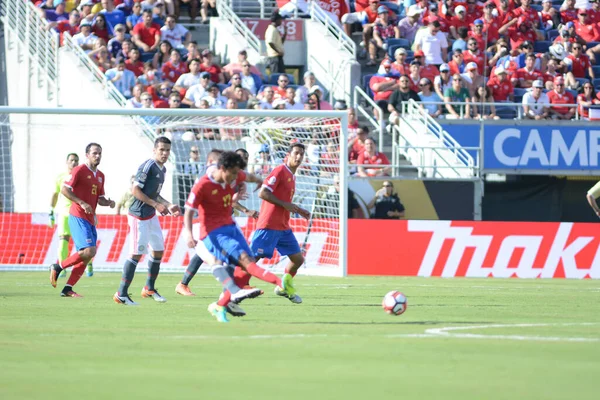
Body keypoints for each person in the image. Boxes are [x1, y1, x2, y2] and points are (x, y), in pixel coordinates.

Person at [184, 151, 295, 322]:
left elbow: (247, 176)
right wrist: (189, 234)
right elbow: (189, 211)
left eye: (237, 173)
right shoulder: (203, 185)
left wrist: (258, 180)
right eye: (233, 173)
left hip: (231, 227)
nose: (236, 177)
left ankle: (222, 303)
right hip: (214, 232)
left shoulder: (235, 175)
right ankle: (270, 285)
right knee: (244, 260)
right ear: (222, 168)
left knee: (247, 262)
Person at [113, 136, 181, 306]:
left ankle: (149, 288)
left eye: (167, 150)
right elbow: (135, 190)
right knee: (136, 254)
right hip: (138, 215)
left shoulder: (162, 169)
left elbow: (154, 194)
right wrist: (156, 205)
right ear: (154, 150)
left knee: (158, 250)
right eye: (161, 150)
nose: (165, 153)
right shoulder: (148, 166)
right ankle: (121, 294)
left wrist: (168, 204)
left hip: (150, 214)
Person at [49, 143, 116, 297]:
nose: (97, 156)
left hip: (90, 219)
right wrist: (81, 202)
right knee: (89, 250)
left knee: (87, 255)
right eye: (94, 153)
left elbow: (99, 199)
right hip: (78, 215)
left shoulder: (101, 176)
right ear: (87, 155)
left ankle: (67, 289)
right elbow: (65, 190)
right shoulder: (79, 170)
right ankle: (58, 266)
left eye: (99, 153)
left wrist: (109, 202)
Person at [247, 143, 310, 305]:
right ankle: (234, 288)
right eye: (296, 153)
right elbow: (263, 192)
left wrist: (299, 209)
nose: (298, 157)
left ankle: (283, 288)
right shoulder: (280, 171)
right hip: (269, 224)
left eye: (301, 154)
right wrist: (285, 204)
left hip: (283, 226)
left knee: (297, 260)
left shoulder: (292, 175)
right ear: (288, 155)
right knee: (252, 259)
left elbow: (285, 202)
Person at [50, 153, 94, 278]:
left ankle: (88, 263)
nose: (74, 162)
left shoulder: (82, 176)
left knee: (83, 243)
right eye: (71, 160)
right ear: (67, 162)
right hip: (64, 213)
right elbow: (55, 194)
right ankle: (62, 269)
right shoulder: (60, 177)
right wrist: (51, 211)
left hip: (78, 213)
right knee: (63, 240)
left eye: (76, 160)